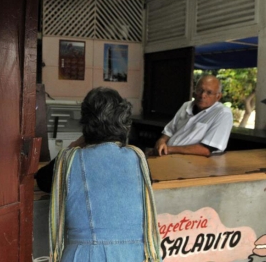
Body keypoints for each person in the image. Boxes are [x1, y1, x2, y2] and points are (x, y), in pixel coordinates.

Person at [49, 87, 162, 262]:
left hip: (82, 256)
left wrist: (75, 144)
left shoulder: (69, 160)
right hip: (132, 255)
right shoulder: (137, 158)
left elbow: (41, 178)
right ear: (123, 121)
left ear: (85, 122)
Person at [151, 75, 233, 157]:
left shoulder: (223, 113)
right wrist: (161, 141)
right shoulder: (186, 105)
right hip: (167, 154)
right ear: (194, 91)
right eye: (200, 90)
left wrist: (169, 149)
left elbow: (206, 150)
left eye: (209, 92)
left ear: (218, 97)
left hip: (192, 162)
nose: (202, 95)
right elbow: (169, 130)